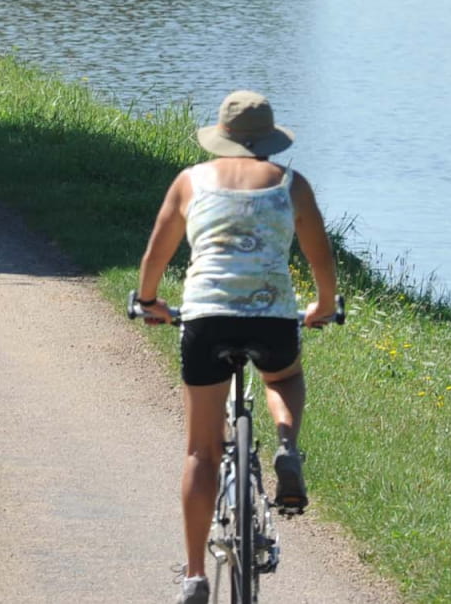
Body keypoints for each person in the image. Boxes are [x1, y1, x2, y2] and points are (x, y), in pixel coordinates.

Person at [133, 90, 338, 604]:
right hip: (270, 319)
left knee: (201, 451)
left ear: (221, 138)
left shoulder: (190, 181)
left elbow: (158, 248)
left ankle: (196, 577)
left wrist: (148, 299)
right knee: (284, 376)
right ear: (269, 142)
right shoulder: (292, 186)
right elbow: (320, 255)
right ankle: (287, 448)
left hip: (205, 318)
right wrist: (323, 305)